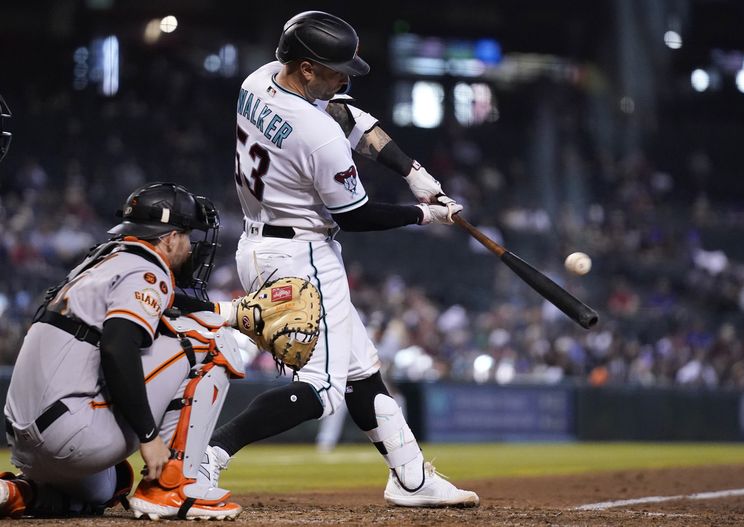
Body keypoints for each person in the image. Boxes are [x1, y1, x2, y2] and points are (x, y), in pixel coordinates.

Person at [204, 11, 479, 508]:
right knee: (322, 390)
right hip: (302, 254)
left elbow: (350, 116)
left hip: (261, 243)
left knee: (361, 371)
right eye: (334, 69)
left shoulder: (258, 79)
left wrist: (411, 169)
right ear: (306, 68)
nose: (345, 77)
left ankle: (411, 477)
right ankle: (208, 458)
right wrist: (425, 214)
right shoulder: (316, 133)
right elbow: (355, 215)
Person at [1, 182, 245, 520]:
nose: (191, 246)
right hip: (69, 434)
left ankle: (17, 493)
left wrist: (232, 311)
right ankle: (171, 486)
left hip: (25, 442)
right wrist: (148, 436)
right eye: (188, 235)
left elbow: (169, 306)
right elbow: (118, 347)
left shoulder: (103, 261)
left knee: (110, 486)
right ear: (170, 237)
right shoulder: (147, 269)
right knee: (214, 340)